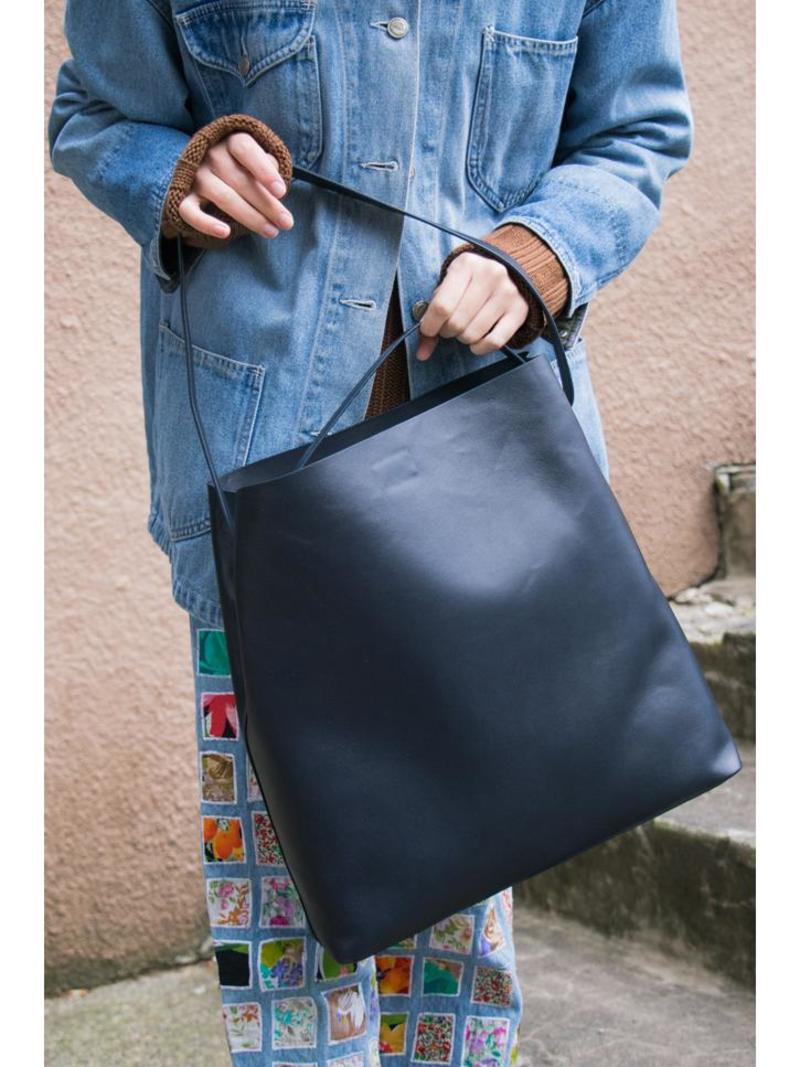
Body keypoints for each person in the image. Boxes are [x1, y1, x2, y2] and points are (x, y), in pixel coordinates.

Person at [48, 1, 692, 1062]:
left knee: (463, 920)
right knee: (286, 904)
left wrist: (539, 249)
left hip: (490, 501)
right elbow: (94, 116)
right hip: (265, 495)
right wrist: (176, 175)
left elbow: (636, 131)